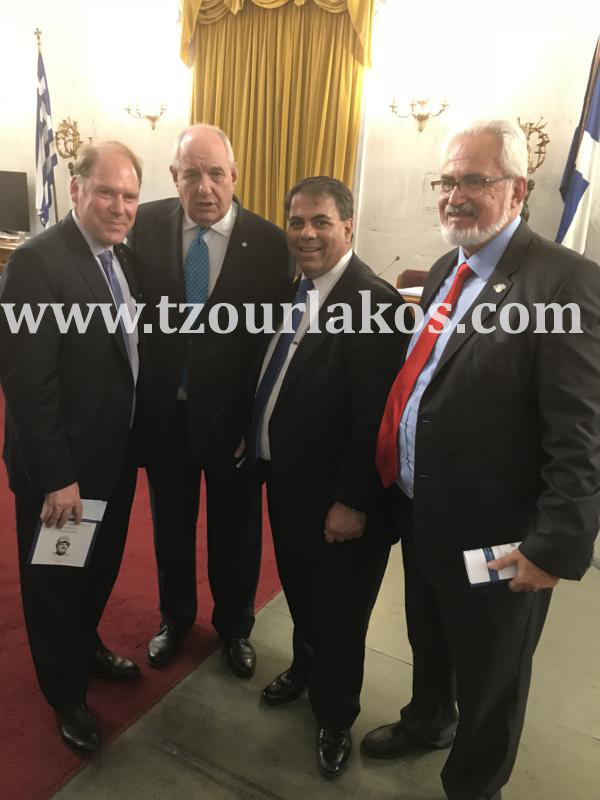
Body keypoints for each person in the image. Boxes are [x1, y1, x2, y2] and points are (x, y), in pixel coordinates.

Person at [362, 119, 600, 800]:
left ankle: (473, 785)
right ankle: (427, 719)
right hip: (424, 510)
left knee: (492, 673)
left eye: (474, 180)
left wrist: (553, 548)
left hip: (500, 536)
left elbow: (581, 436)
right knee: (430, 637)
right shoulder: (448, 268)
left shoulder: (565, 282)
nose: (454, 195)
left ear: (517, 190)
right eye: (446, 180)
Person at [252, 176, 404, 778]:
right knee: (303, 596)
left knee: (341, 616)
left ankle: (336, 716)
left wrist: (352, 500)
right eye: (296, 222)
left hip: (342, 503)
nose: (306, 233)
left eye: (320, 222)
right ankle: (305, 668)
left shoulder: (374, 303)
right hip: (291, 487)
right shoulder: (296, 291)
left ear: (347, 226)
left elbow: (376, 419)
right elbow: (278, 374)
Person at [127, 124, 291, 677]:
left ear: (234, 176)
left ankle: (235, 628)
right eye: (191, 174)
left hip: (233, 423)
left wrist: (253, 420)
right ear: (174, 176)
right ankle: (175, 619)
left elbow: (272, 343)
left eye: (216, 173)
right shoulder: (144, 226)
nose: (205, 187)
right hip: (167, 416)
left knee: (236, 533)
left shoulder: (270, 244)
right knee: (170, 527)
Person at [0, 142, 147, 755]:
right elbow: (29, 385)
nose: (119, 206)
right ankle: (65, 695)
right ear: (76, 189)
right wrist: (58, 477)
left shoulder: (122, 257)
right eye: (106, 192)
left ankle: (85, 646)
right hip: (62, 472)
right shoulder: (37, 263)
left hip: (112, 457)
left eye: (130, 196)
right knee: (56, 583)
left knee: (97, 568)